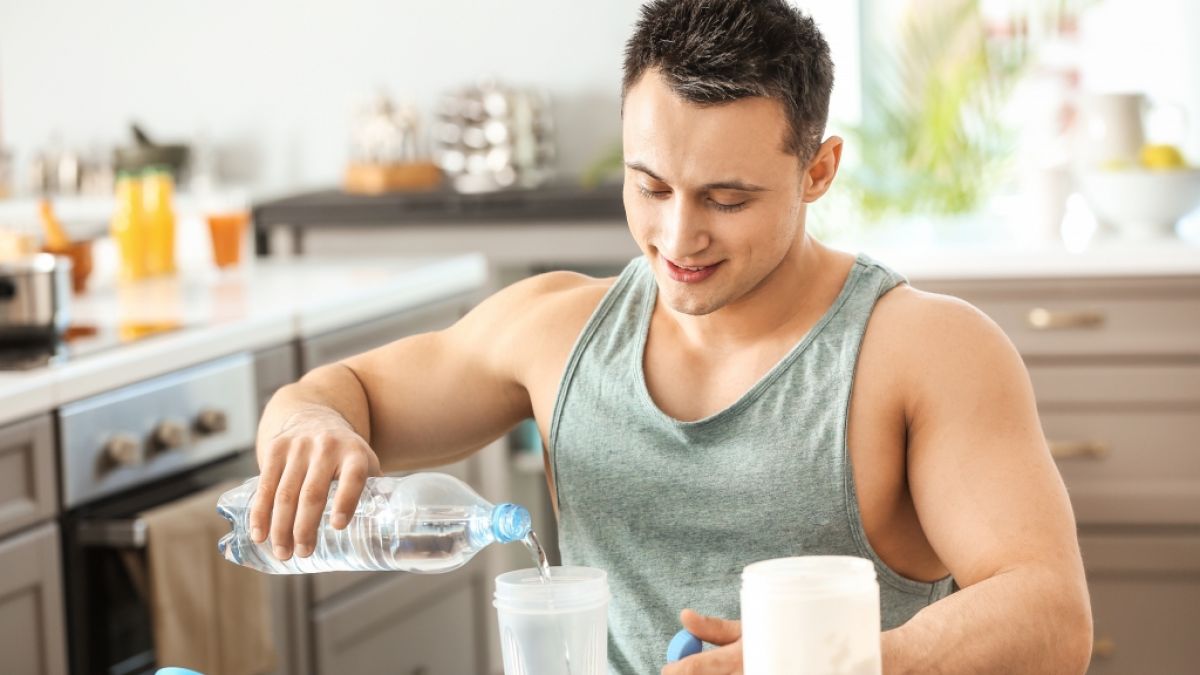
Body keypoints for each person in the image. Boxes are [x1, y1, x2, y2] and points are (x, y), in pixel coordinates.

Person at [250, 1, 1094, 672]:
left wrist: (827, 660)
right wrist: (309, 425)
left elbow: (1051, 614)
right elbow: (334, 394)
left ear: (818, 170)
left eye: (727, 199)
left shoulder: (924, 350)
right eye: (650, 186)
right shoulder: (554, 329)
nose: (678, 237)